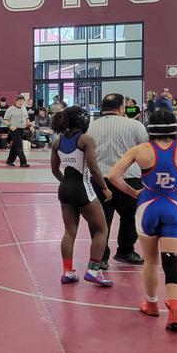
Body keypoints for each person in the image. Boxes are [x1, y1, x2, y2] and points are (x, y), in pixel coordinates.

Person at [108, 110, 177, 332]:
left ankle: (151, 304)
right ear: (175, 127)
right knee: (171, 261)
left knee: (150, 261)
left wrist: (132, 192)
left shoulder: (141, 150)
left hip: (148, 208)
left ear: (150, 128)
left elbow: (113, 175)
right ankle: (175, 312)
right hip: (173, 208)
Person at [50, 106, 113, 287]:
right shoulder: (86, 139)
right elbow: (93, 168)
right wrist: (105, 189)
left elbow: (54, 169)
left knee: (69, 232)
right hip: (82, 188)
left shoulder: (57, 142)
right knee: (102, 229)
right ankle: (93, 270)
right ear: (83, 120)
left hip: (65, 189)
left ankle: (67, 272)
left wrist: (66, 183)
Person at [86, 93, 149, 268]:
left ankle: (101, 257)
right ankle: (126, 251)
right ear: (122, 108)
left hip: (99, 179)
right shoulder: (134, 125)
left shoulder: (91, 127)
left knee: (100, 220)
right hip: (129, 178)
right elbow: (147, 150)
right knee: (130, 217)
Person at [4, 95, 30, 167]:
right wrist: (10, 126)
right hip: (14, 129)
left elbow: (27, 118)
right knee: (19, 145)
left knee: (15, 146)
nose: (21, 102)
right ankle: (23, 162)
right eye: (20, 101)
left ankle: (9, 161)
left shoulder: (24, 108)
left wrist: (29, 123)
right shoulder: (10, 109)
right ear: (16, 101)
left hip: (22, 129)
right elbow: (5, 120)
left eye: (22, 101)